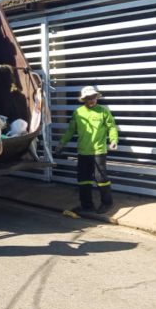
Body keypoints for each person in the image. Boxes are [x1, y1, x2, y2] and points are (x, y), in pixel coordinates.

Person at [55, 86, 118, 214]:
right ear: (84, 99)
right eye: (89, 98)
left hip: (99, 151)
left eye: (93, 97)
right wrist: (62, 143)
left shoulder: (103, 111)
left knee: (101, 178)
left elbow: (111, 127)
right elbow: (71, 130)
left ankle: (107, 203)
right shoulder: (78, 112)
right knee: (83, 179)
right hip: (83, 151)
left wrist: (113, 140)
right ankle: (87, 205)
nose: (92, 100)